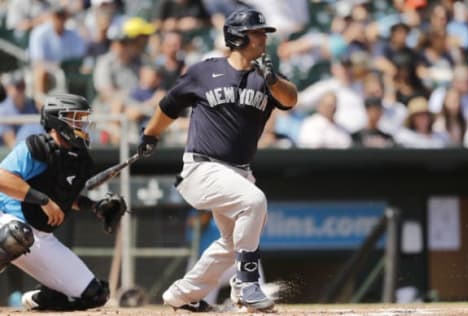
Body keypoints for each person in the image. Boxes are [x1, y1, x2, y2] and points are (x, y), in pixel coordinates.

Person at [137, 9, 297, 312]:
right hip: (202, 166)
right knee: (254, 202)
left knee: (232, 242)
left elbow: (290, 99)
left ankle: (183, 294)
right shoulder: (204, 71)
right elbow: (169, 105)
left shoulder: (266, 77)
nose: (264, 37)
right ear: (238, 36)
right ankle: (247, 284)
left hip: (239, 173)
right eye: (257, 32)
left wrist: (272, 78)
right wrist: (150, 135)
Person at [0, 93, 127, 311]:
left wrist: (96, 206)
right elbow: (3, 178)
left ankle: (41, 298)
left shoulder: (79, 159)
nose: (81, 124)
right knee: (16, 234)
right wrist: (43, 200)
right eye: (75, 118)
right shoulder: (36, 147)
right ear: (57, 120)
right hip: (6, 221)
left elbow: (68, 197)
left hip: (38, 236)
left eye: (83, 119)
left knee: (95, 295)